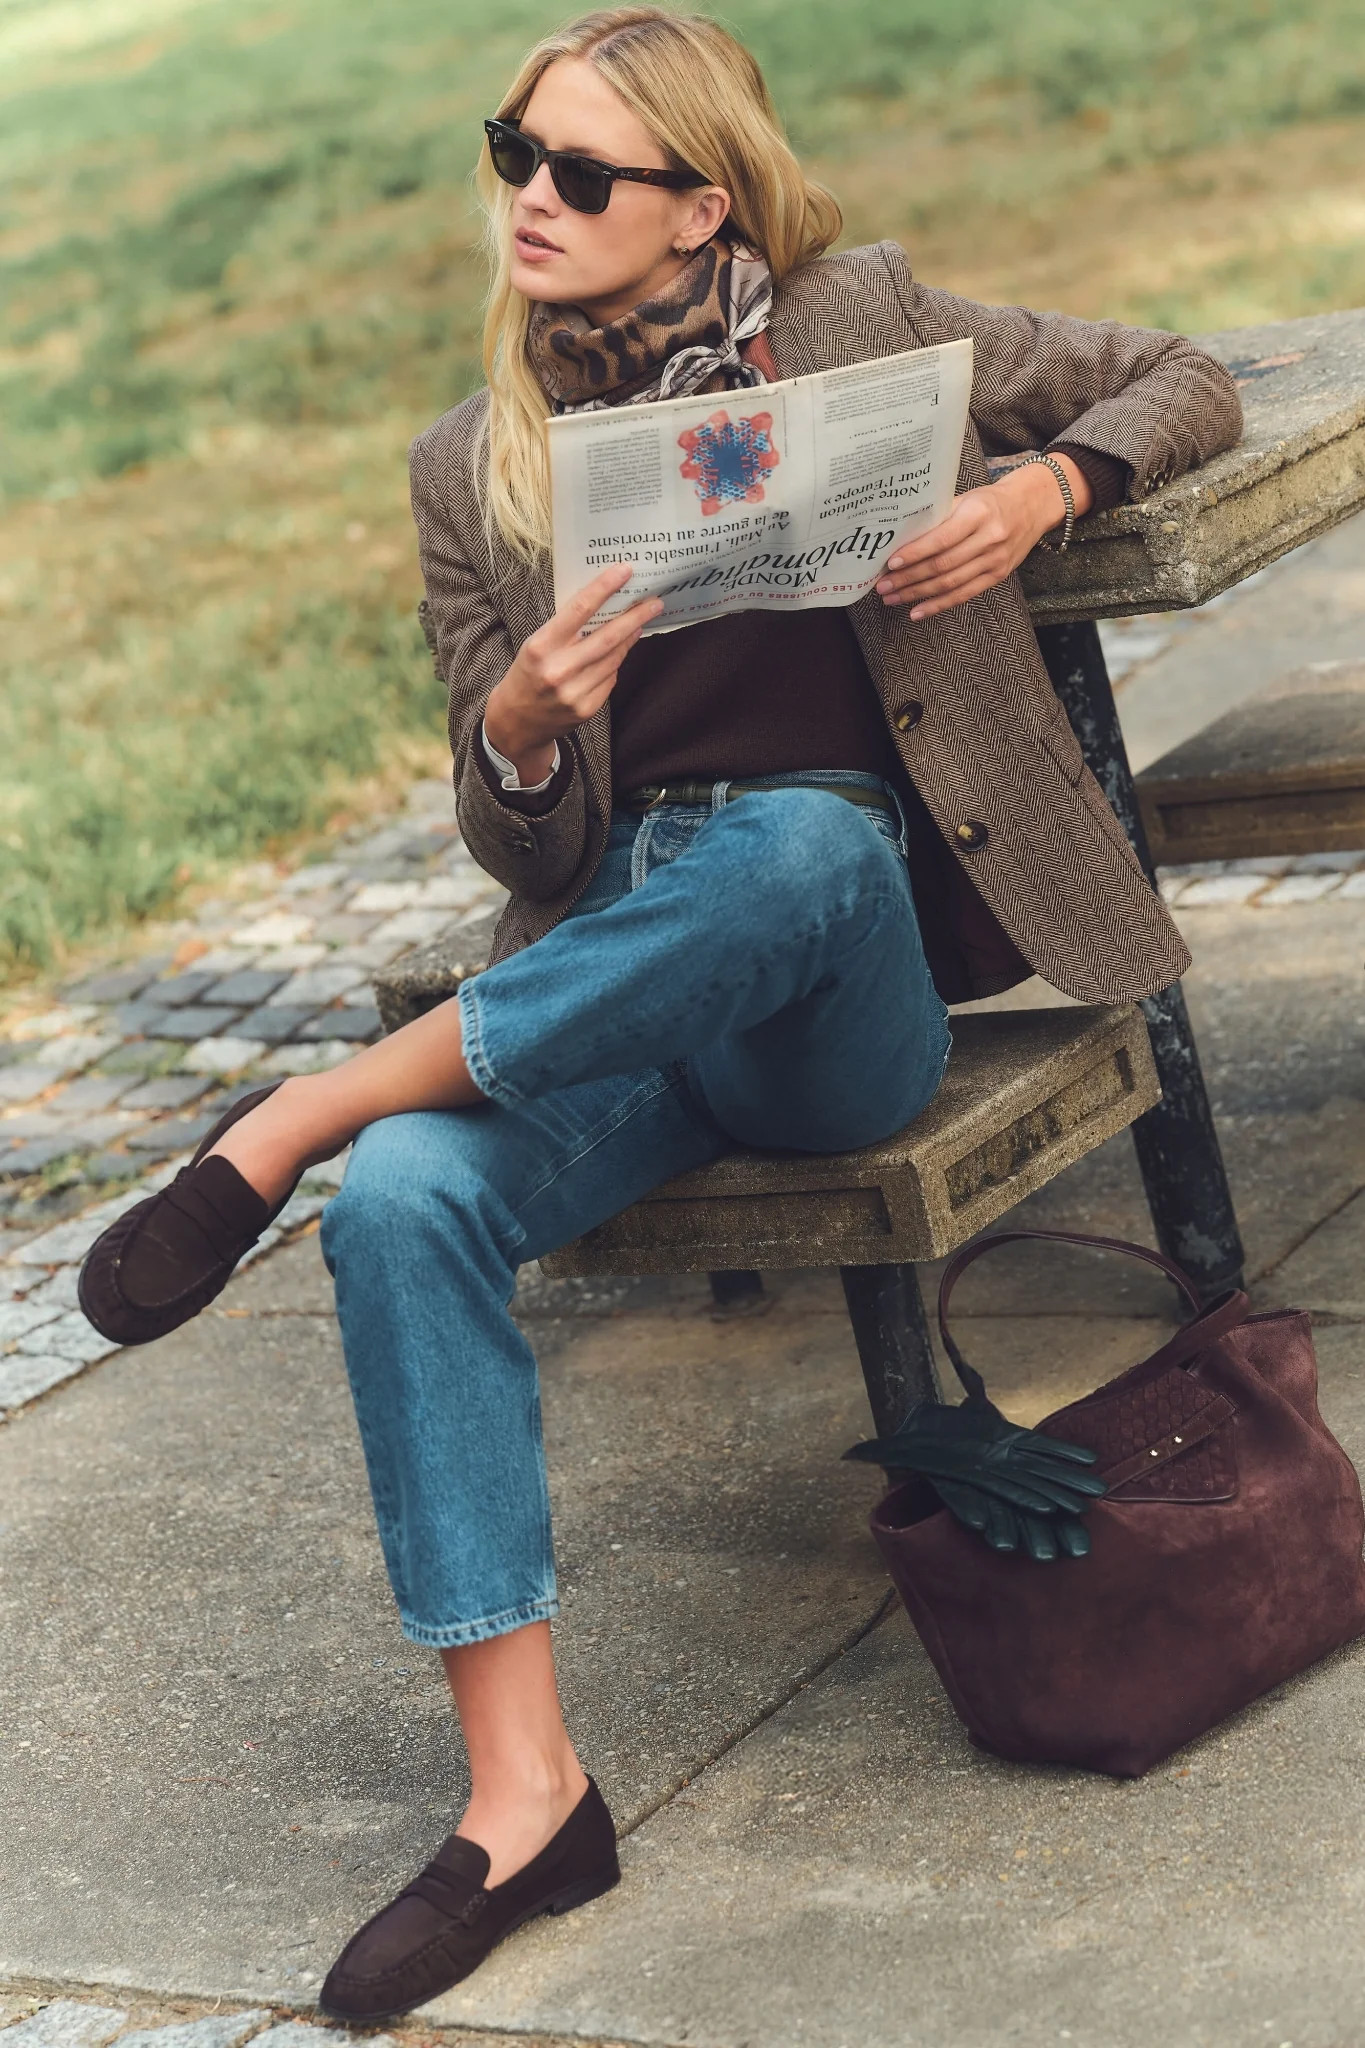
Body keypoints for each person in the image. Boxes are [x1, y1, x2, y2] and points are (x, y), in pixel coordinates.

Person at [78, 5, 1242, 2018]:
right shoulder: (475, 465)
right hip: (613, 967)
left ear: (701, 197)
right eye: (511, 153)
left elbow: (1183, 379)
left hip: (836, 989)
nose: (529, 197)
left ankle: (306, 1104)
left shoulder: (866, 320)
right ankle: (524, 1794)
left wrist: (1037, 494)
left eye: (582, 172)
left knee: (799, 848)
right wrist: (523, 734)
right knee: (407, 1205)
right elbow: (509, 838)